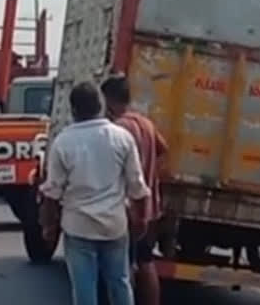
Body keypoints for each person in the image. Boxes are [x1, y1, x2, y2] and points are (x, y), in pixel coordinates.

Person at [40, 81, 150, 305]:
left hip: (78, 227)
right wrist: (141, 220)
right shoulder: (121, 138)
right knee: (120, 283)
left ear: (73, 110)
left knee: (84, 287)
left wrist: (49, 226)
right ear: (100, 105)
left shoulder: (63, 142)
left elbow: (52, 193)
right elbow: (137, 186)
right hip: (114, 226)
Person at [101, 75, 168, 305]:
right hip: (149, 206)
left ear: (108, 101)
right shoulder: (146, 124)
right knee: (145, 259)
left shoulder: (118, 128)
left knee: (122, 263)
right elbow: (163, 149)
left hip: (126, 206)